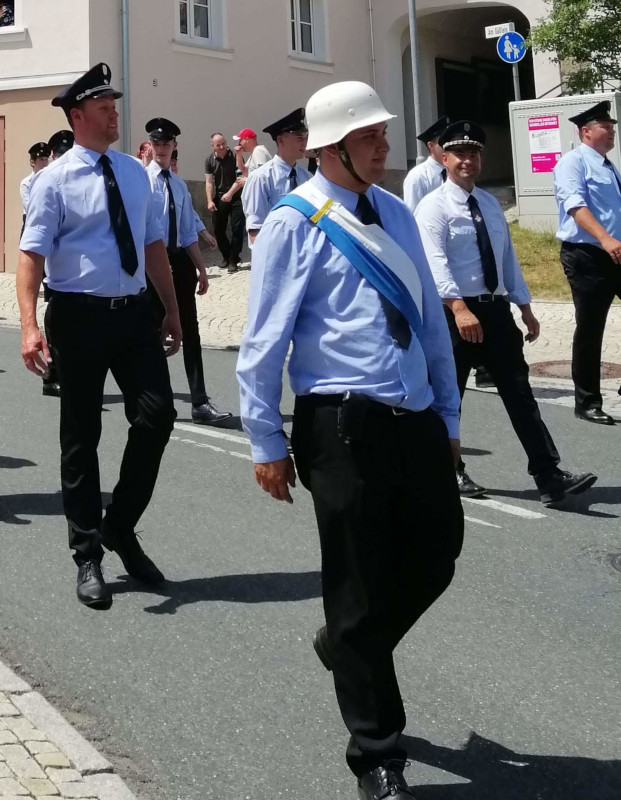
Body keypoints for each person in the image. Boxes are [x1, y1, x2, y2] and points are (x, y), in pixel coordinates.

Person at [237, 81, 464, 800]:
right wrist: (264, 438)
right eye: (369, 137)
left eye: (382, 134)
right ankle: (377, 753)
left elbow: (427, 322)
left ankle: (343, 643)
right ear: (331, 147)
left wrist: (449, 417)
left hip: (413, 416)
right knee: (358, 583)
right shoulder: (294, 221)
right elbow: (263, 338)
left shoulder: (394, 212)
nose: (383, 146)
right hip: (339, 424)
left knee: (437, 554)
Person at [16, 62, 182, 609]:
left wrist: (170, 309)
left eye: (115, 106)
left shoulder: (134, 174)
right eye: (104, 107)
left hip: (133, 315)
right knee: (81, 436)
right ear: (78, 115)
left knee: (157, 416)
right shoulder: (53, 181)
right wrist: (29, 326)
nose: (115, 114)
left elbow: (152, 243)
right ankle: (87, 553)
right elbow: (31, 256)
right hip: (79, 317)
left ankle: (120, 525)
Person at [415, 120, 597, 506]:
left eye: (474, 153)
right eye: (459, 154)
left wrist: (524, 306)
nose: (468, 160)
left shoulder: (489, 205)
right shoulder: (433, 206)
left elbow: (507, 258)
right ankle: (449, 468)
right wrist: (458, 308)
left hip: (495, 313)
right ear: (444, 159)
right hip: (454, 317)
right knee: (448, 397)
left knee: (520, 394)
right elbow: (434, 262)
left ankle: (549, 476)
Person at [145, 117, 232, 426]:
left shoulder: (179, 185)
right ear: (151, 146)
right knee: (153, 331)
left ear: (174, 146)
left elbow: (186, 232)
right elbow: (142, 230)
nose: (161, 149)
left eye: (166, 144)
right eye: (156, 143)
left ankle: (199, 402)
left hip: (179, 262)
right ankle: (155, 399)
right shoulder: (143, 181)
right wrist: (155, 262)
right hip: (153, 265)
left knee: (191, 332)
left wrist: (201, 269)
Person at [553, 100, 621, 425]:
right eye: (605, 126)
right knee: (591, 328)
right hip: (587, 256)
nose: (612, 130)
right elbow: (575, 206)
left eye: (612, 126)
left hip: (615, 253)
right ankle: (587, 401)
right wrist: (605, 239)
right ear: (586, 131)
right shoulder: (573, 163)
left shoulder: (608, 166)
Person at [38, 130, 76, 398]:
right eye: (60, 154)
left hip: (73, 267)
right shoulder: (42, 182)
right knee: (56, 319)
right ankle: (54, 376)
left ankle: (58, 376)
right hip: (53, 261)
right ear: (53, 156)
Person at [241, 108, 311, 245]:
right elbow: (255, 229)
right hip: (276, 252)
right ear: (280, 139)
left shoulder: (307, 178)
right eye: (299, 138)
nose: (304, 143)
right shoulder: (261, 178)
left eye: (306, 138)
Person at [205, 132, 245, 272]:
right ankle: (227, 255)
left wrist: (230, 194)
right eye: (218, 145)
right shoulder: (209, 160)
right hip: (220, 198)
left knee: (237, 228)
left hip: (236, 197)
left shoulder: (235, 156)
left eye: (223, 143)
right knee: (218, 229)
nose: (222, 147)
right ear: (213, 146)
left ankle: (234, 259)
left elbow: (240, 178)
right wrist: (210, 200)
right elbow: (209, 182)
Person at [403, 116, 449, 212]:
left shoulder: (454, 171)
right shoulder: (418, 176)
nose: (448, 146)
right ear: (431, 145)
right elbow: (412, 212)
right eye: (444, 142)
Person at [20, 142, 50, 223]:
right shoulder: (26, 183)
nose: (45, 163)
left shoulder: (53, 180)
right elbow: (29, 207)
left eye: (46, 159)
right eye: (41, 159)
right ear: (32, 162)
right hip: (32, 221)